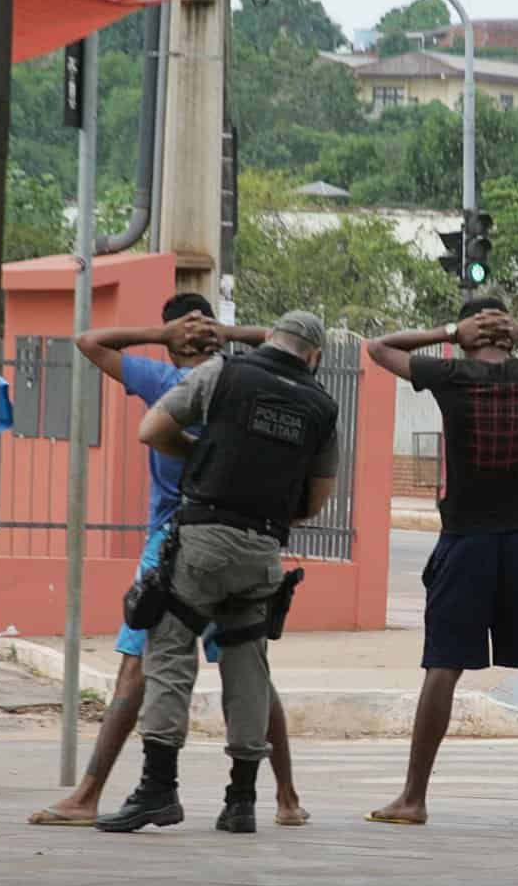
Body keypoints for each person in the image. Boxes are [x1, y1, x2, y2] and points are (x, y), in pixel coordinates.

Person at [89, 309, 338, 836]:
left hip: (202, 536)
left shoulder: (223, 372)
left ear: (271, 339)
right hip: (264, 548)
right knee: (248, 668)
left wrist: (203, 458)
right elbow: (315, 503)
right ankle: (241, 800)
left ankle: (158, 789)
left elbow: (152, 429)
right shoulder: (321, 406)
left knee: (169, 653)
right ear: (313, 356)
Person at [363, 298, 518, 826]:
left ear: (466, 336)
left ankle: (414, 798)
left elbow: (379, 348)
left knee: (442, 666)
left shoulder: (451, 374)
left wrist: (449, 330)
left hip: (465, 541)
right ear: (508, 336)